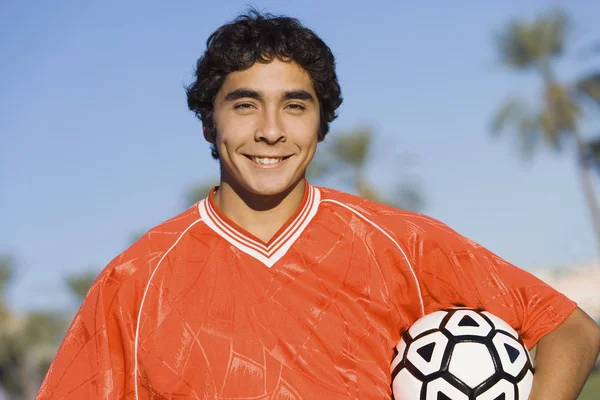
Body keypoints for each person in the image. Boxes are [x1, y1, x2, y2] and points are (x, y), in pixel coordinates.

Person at [36, 9, 600, 400]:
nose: (271, 131)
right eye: (246, 105)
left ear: (321, 124)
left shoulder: (401, 243)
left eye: (296, 106)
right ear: (210, 121)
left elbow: (570, 331)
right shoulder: (135, 282)